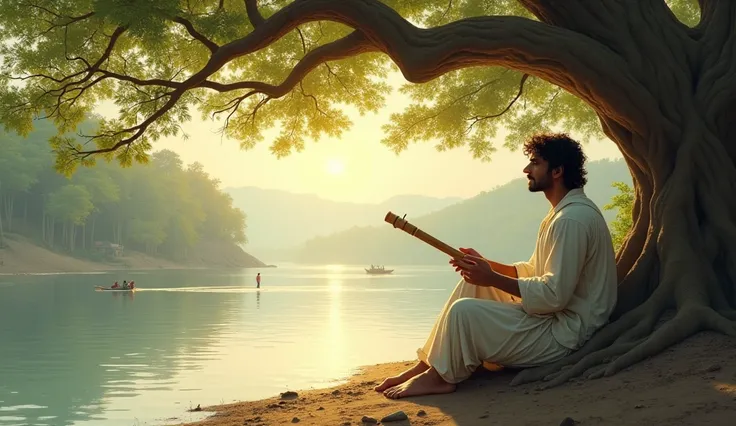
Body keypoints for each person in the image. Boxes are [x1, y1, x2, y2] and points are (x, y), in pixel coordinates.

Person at [375, 133, 618, 399]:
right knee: (470, 284)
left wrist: (490, 278)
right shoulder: (563, 213)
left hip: (565, 334)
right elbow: (534, 272)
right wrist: (486, 267)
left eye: (535, 163)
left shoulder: (571, 220)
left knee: (463, 312)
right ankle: (427, 365)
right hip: (554, 319)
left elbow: (554, 296)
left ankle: (441, 378)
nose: (526, 169)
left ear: (557, 171)